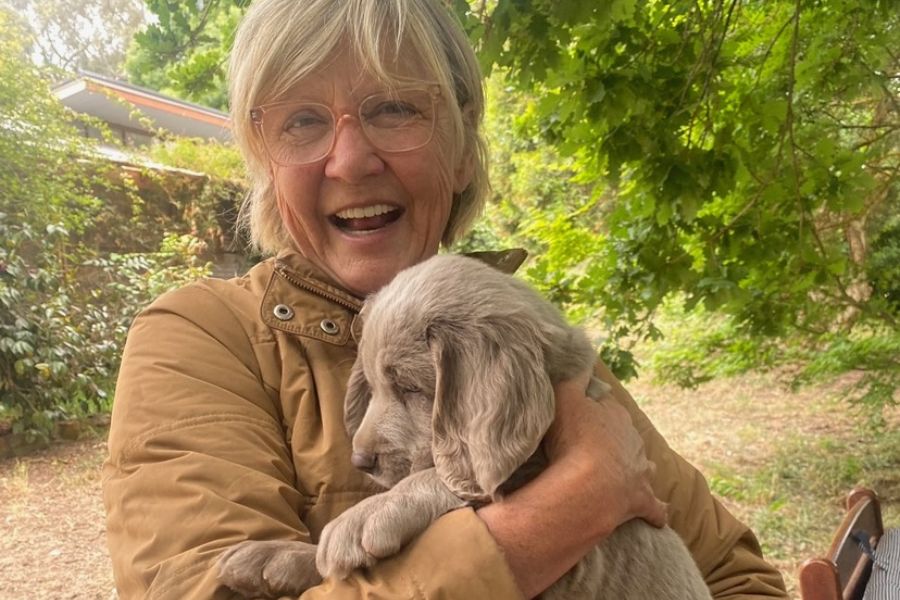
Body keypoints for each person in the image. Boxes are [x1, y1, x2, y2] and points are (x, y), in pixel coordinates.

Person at [102, 0, 789, 598]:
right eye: (302, 121)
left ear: (462, 146)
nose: (350, 160)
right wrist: (573, 505)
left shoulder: (526, 338)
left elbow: (734, 577)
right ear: (265, 160)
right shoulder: (201, 339)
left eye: (394, 108)